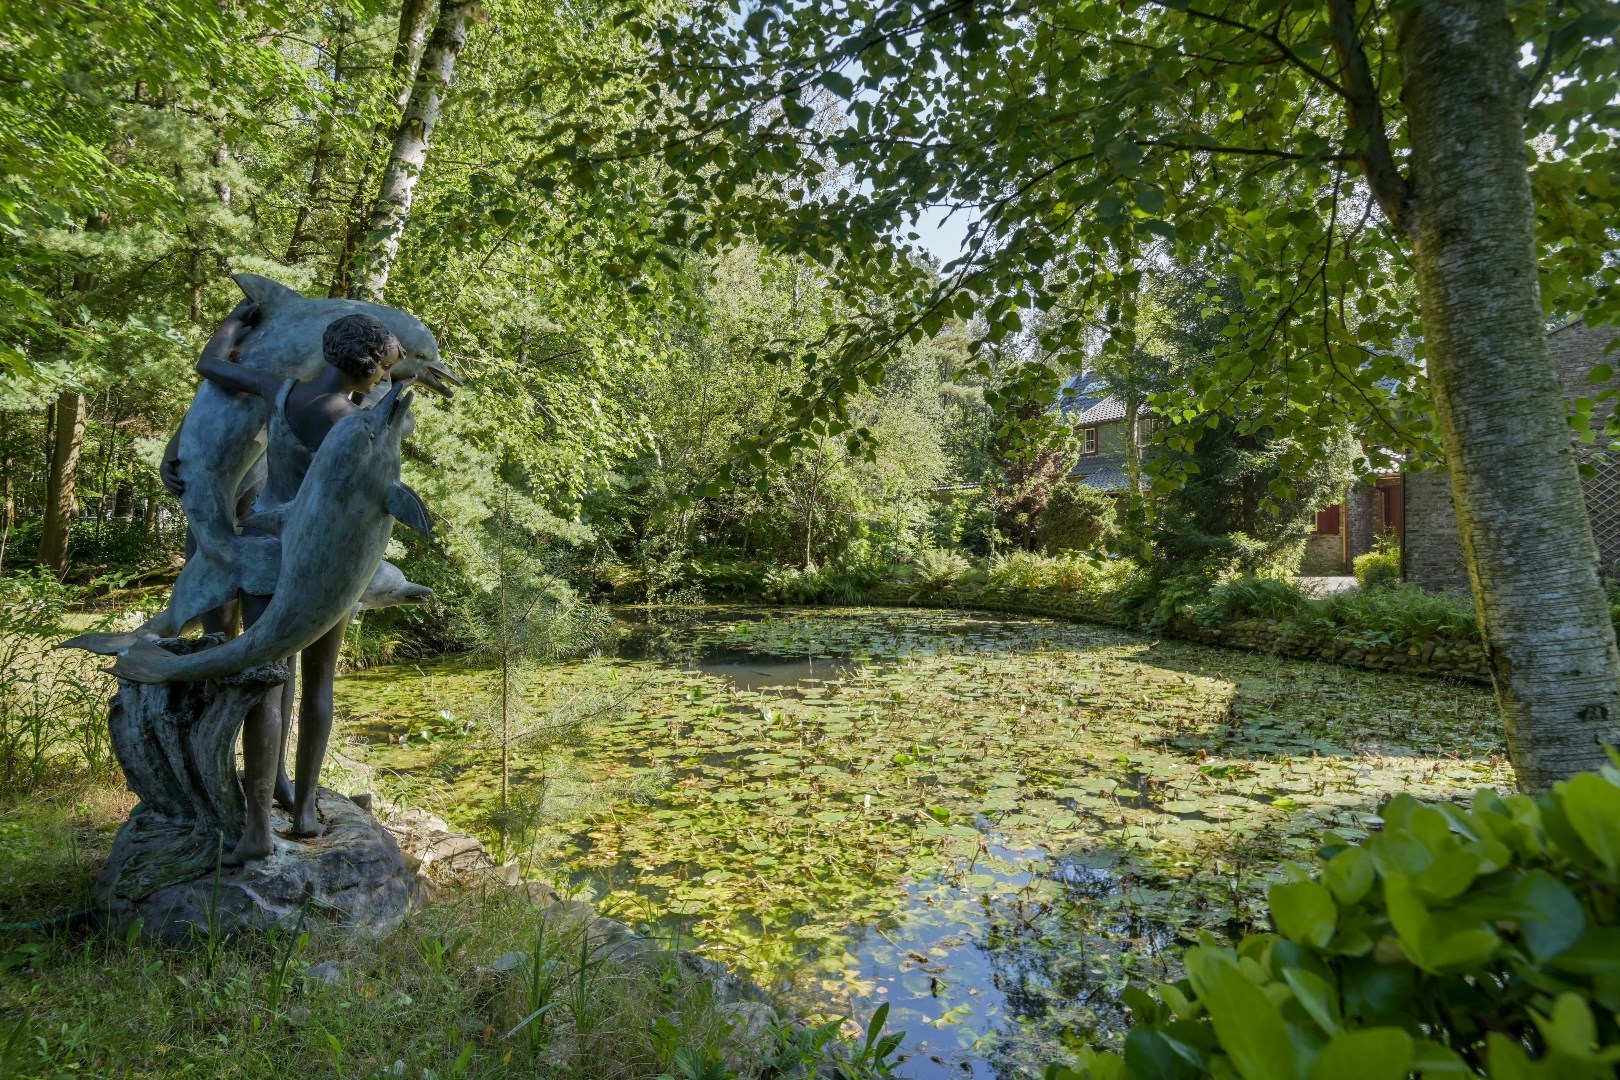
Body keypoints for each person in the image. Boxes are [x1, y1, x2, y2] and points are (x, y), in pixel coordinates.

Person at [196, 305, 402, 862]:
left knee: (269, 679)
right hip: (323, 568)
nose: (387, 374)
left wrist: (236, 324)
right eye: (383, 368)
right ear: (368, 373)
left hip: (266, 554)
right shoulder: (355, 425)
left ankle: (257, 825)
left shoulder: (283, 391)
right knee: (319, 681)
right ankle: (307, 810)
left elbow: (210, 366)